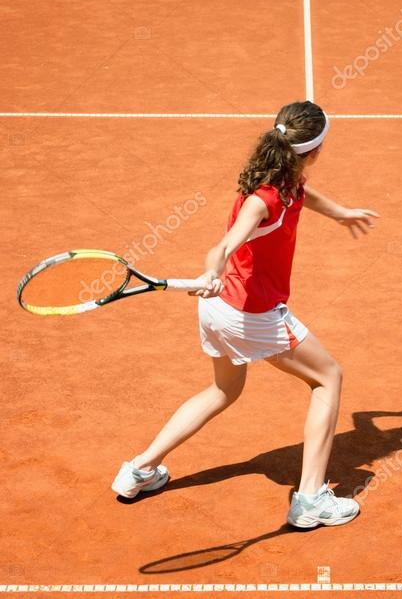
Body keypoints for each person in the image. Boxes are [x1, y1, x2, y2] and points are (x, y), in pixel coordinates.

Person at [111, 100, 379, 529]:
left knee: (222, 390)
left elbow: (304, 196)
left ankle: (139, 469)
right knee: (328, 377)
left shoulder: (281, 178)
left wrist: (341, 213)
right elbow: (224, 244)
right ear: (315, 149)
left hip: (217, 311)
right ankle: (310, 498)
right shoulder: (263, 198)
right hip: (250, 314)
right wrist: (212, 269)